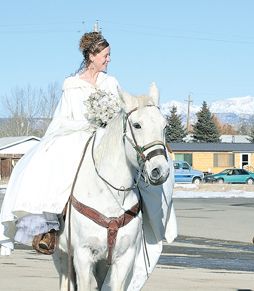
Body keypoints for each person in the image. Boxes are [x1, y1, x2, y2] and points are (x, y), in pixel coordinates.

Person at [0, 31, 177, 265]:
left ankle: (147, 219)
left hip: (107, 136)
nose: (109, 59)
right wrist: (89, 122)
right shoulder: (71, 85)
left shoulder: (111, 83)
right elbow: (62, 119)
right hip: (76, 134)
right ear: (92, 56)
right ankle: (50, 225)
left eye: (109, 55)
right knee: (54, 161)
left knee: (137, 161)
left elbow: (122, 111)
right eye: (105, 55)